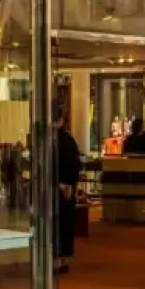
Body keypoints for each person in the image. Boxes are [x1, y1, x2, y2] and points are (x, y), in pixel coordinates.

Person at [53, 113, 82, 274]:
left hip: (56, 187)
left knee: (58, 223)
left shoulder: (50, 139)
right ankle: (62, 259)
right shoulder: (67, 140)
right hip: (64, 186)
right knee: (64, 223)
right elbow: (74, 164)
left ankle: (57, 259)